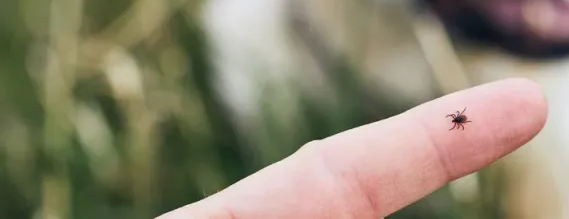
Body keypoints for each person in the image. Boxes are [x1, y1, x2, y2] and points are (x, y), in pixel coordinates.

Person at [158, 78, 548, 219]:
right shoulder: (458, 119)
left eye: (458, 120)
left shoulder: (456, 119)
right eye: (458, 120)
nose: (458, 121)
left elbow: (458, 118)